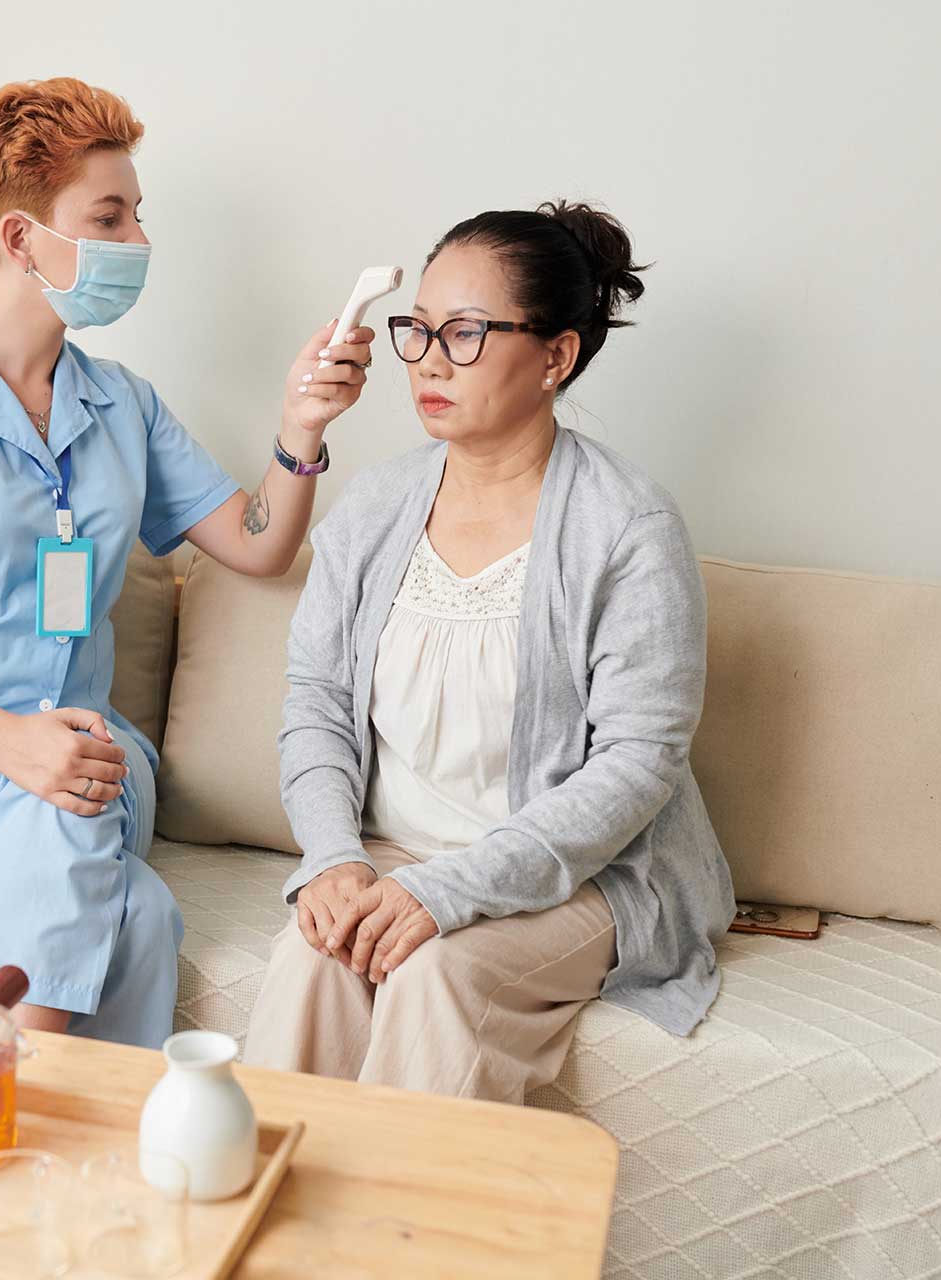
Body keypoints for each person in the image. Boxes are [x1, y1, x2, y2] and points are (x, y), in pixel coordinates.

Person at [0, 78, 371, 1048]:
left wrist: (300, 427)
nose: (138, 243)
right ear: (22, 239)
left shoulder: (125, 407)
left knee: (69, 778)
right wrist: (9, 742)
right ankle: (86, 1153)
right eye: (109, 217)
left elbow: (259, 540)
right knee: (140, 914)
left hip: (92, 761)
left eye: (136, 216)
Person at [243, 202, 736, 1099]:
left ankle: (408, 1237)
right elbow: (315, 699)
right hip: (391, 857)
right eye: (418, 330)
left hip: (577, 882)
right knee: (316, 959)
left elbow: (638, 764)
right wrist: (334, 860)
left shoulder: (628, 526)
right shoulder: (376, 505)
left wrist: (452, 892)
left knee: (432, 971)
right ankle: (278, 1232)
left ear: (556, 357)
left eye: (466, 332)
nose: (431, 360)